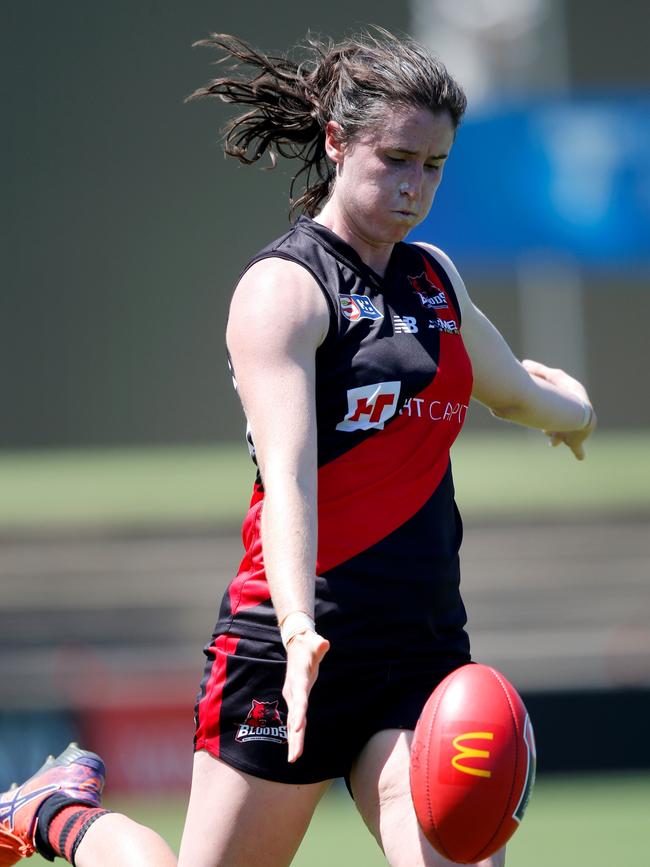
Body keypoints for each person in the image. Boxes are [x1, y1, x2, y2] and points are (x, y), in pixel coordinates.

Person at [0, 29, 595, 867]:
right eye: (396, 158)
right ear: (336, 141)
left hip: (420, 652)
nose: (415, 185)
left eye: (434, 164)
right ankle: (58, 811)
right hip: (288, 651)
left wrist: (576, 415)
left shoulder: (436, 282)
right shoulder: (284, 291)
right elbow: (287, 478)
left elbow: (516, 388)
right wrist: (297, 624)